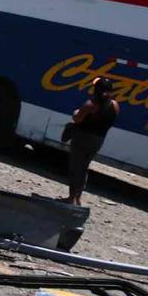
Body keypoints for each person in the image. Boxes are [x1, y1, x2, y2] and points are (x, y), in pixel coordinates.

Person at [63, 77, 119, 205]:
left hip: (82, 138)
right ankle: (78, 198)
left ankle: (71, 198)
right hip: (98, 140)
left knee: (75, 167)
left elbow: (77, 118)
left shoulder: (91, 104)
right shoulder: (115, 105)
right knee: (84, 167)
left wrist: (76, 112)